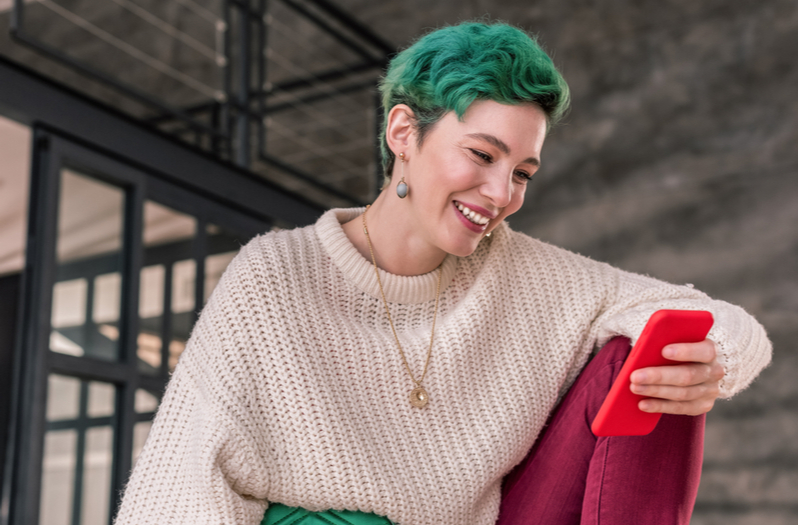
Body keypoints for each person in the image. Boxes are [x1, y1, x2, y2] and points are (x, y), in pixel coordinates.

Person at [114, 22, 771, 525]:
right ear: (404, 131)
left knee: (664, 349)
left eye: (522, 173)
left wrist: (715, 356)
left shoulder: (520, 271)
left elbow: (726, 324)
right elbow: (181, 489)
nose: (499, 192)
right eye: (482, 154)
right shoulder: (276, 275)